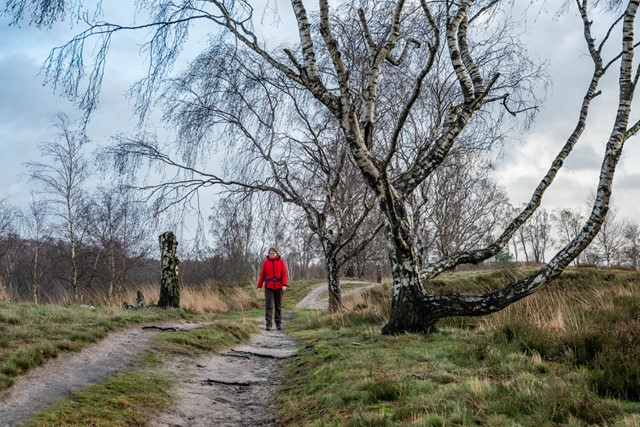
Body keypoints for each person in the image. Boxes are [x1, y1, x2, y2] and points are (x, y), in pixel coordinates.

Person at [257, 247, 289, 331]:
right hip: (269, 286)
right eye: (270, 253)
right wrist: (259, 286)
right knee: (269, 306)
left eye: (273, 253)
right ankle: (268, 324)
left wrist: (284, 284)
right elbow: (262, 274)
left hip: (279, 286)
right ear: (269, 254)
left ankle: (278, 323)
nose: (272, 255)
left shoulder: (281, 262)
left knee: (278, 306)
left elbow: (284, 273)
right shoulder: (266, 263)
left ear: (276, 254)